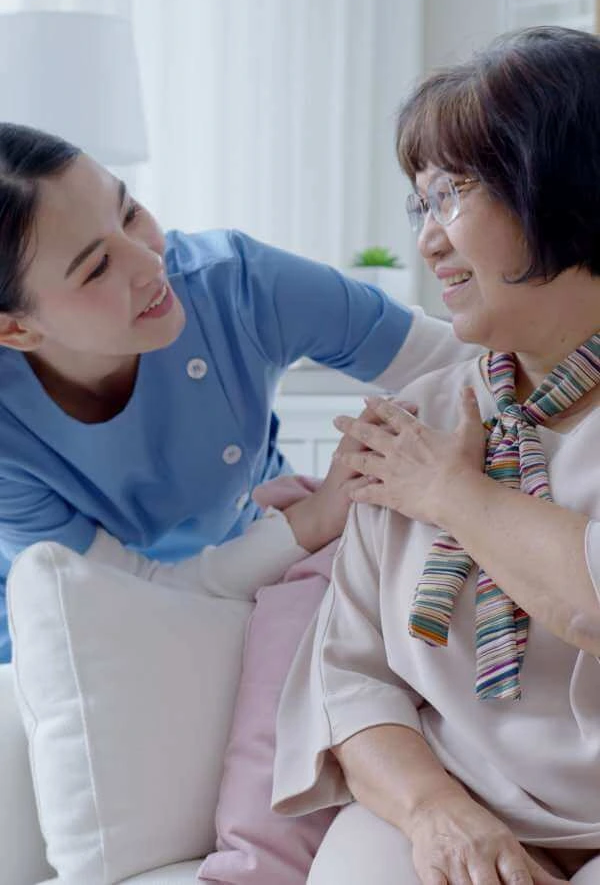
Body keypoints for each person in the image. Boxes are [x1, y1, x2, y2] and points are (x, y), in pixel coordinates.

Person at [272, 26, 600, 885]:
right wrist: (437, 814)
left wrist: (451, 494)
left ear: (564, 188)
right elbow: (349, 677)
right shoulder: (415, 419)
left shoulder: (423, 459)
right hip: (456, 803)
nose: (427, 241)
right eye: (421, 203)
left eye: (454, 194)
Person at [0, 122, 477, 663]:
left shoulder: (235, 284)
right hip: (84, 628)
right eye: (98, 267)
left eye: (128, 211)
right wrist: (316, 518)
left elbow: (460, 362)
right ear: (15, 330)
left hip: (264, 567)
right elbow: (127, 595)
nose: (149, 261)